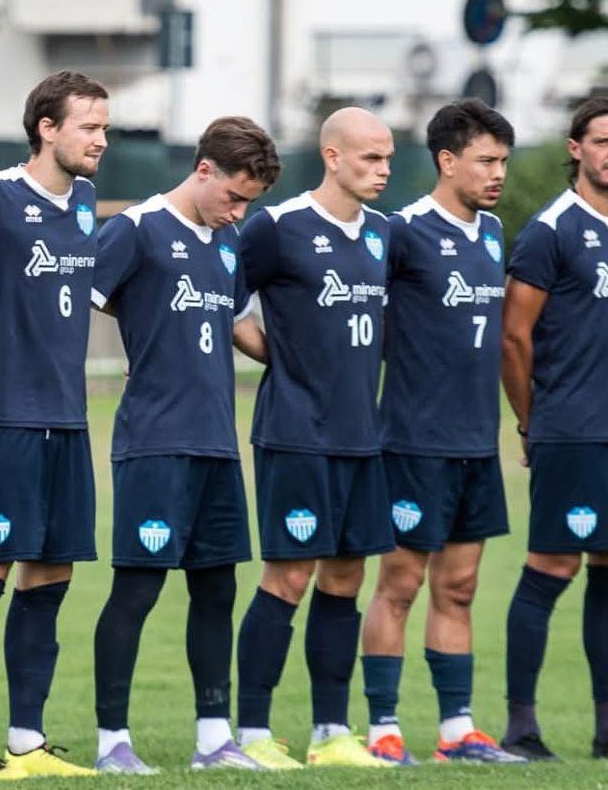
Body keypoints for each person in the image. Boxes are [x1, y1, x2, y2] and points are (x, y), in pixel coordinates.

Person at [87, 117, 280, 774]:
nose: (239, 211)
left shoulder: (227, 245)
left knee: (217, 589)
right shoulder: (135, 228)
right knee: (137, 589)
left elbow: (236, 325)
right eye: (233, 195)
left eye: (250, 201)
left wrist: (315, 355)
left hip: (217, 446)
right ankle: (112, 740)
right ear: (203, 170)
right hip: (154, 444)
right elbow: (74, 303)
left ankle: (212, 739)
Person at [0, 70, 108, 779]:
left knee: (51, 577)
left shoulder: (89, 202)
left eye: (103, 125)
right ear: (47, 127)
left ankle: (29, 740)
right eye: (88, 126)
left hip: (68, 419)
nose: (101, 138)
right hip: (3, 416)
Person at [500, 97, 608, 762]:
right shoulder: (550, 229)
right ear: (576, 148)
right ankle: (520, 727)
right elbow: (514, 338)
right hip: (572, 429)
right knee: (551, 566)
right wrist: (531, 420)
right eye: (604, 141)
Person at [358, 99, 525, 766]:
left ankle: (458, 730)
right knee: (400, 582)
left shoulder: (492, 233)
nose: (497, 174)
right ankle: (383, 729)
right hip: (412, 441)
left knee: (460, 586)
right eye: (486, 160)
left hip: (475, 444)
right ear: (447, 160)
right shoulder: (400, 231)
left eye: (504, 162)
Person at [232, 106, 395, 770]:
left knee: (346, 580)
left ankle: (332, 730)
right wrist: (283, 357)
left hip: (363, 435)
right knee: (289, 575)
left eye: (387, 158)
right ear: (332, 156)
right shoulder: (278, 226)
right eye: (369, 158)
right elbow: (225, 303)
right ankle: (250, 734)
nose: (382, 170)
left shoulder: (385, 234)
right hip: (296, 434)